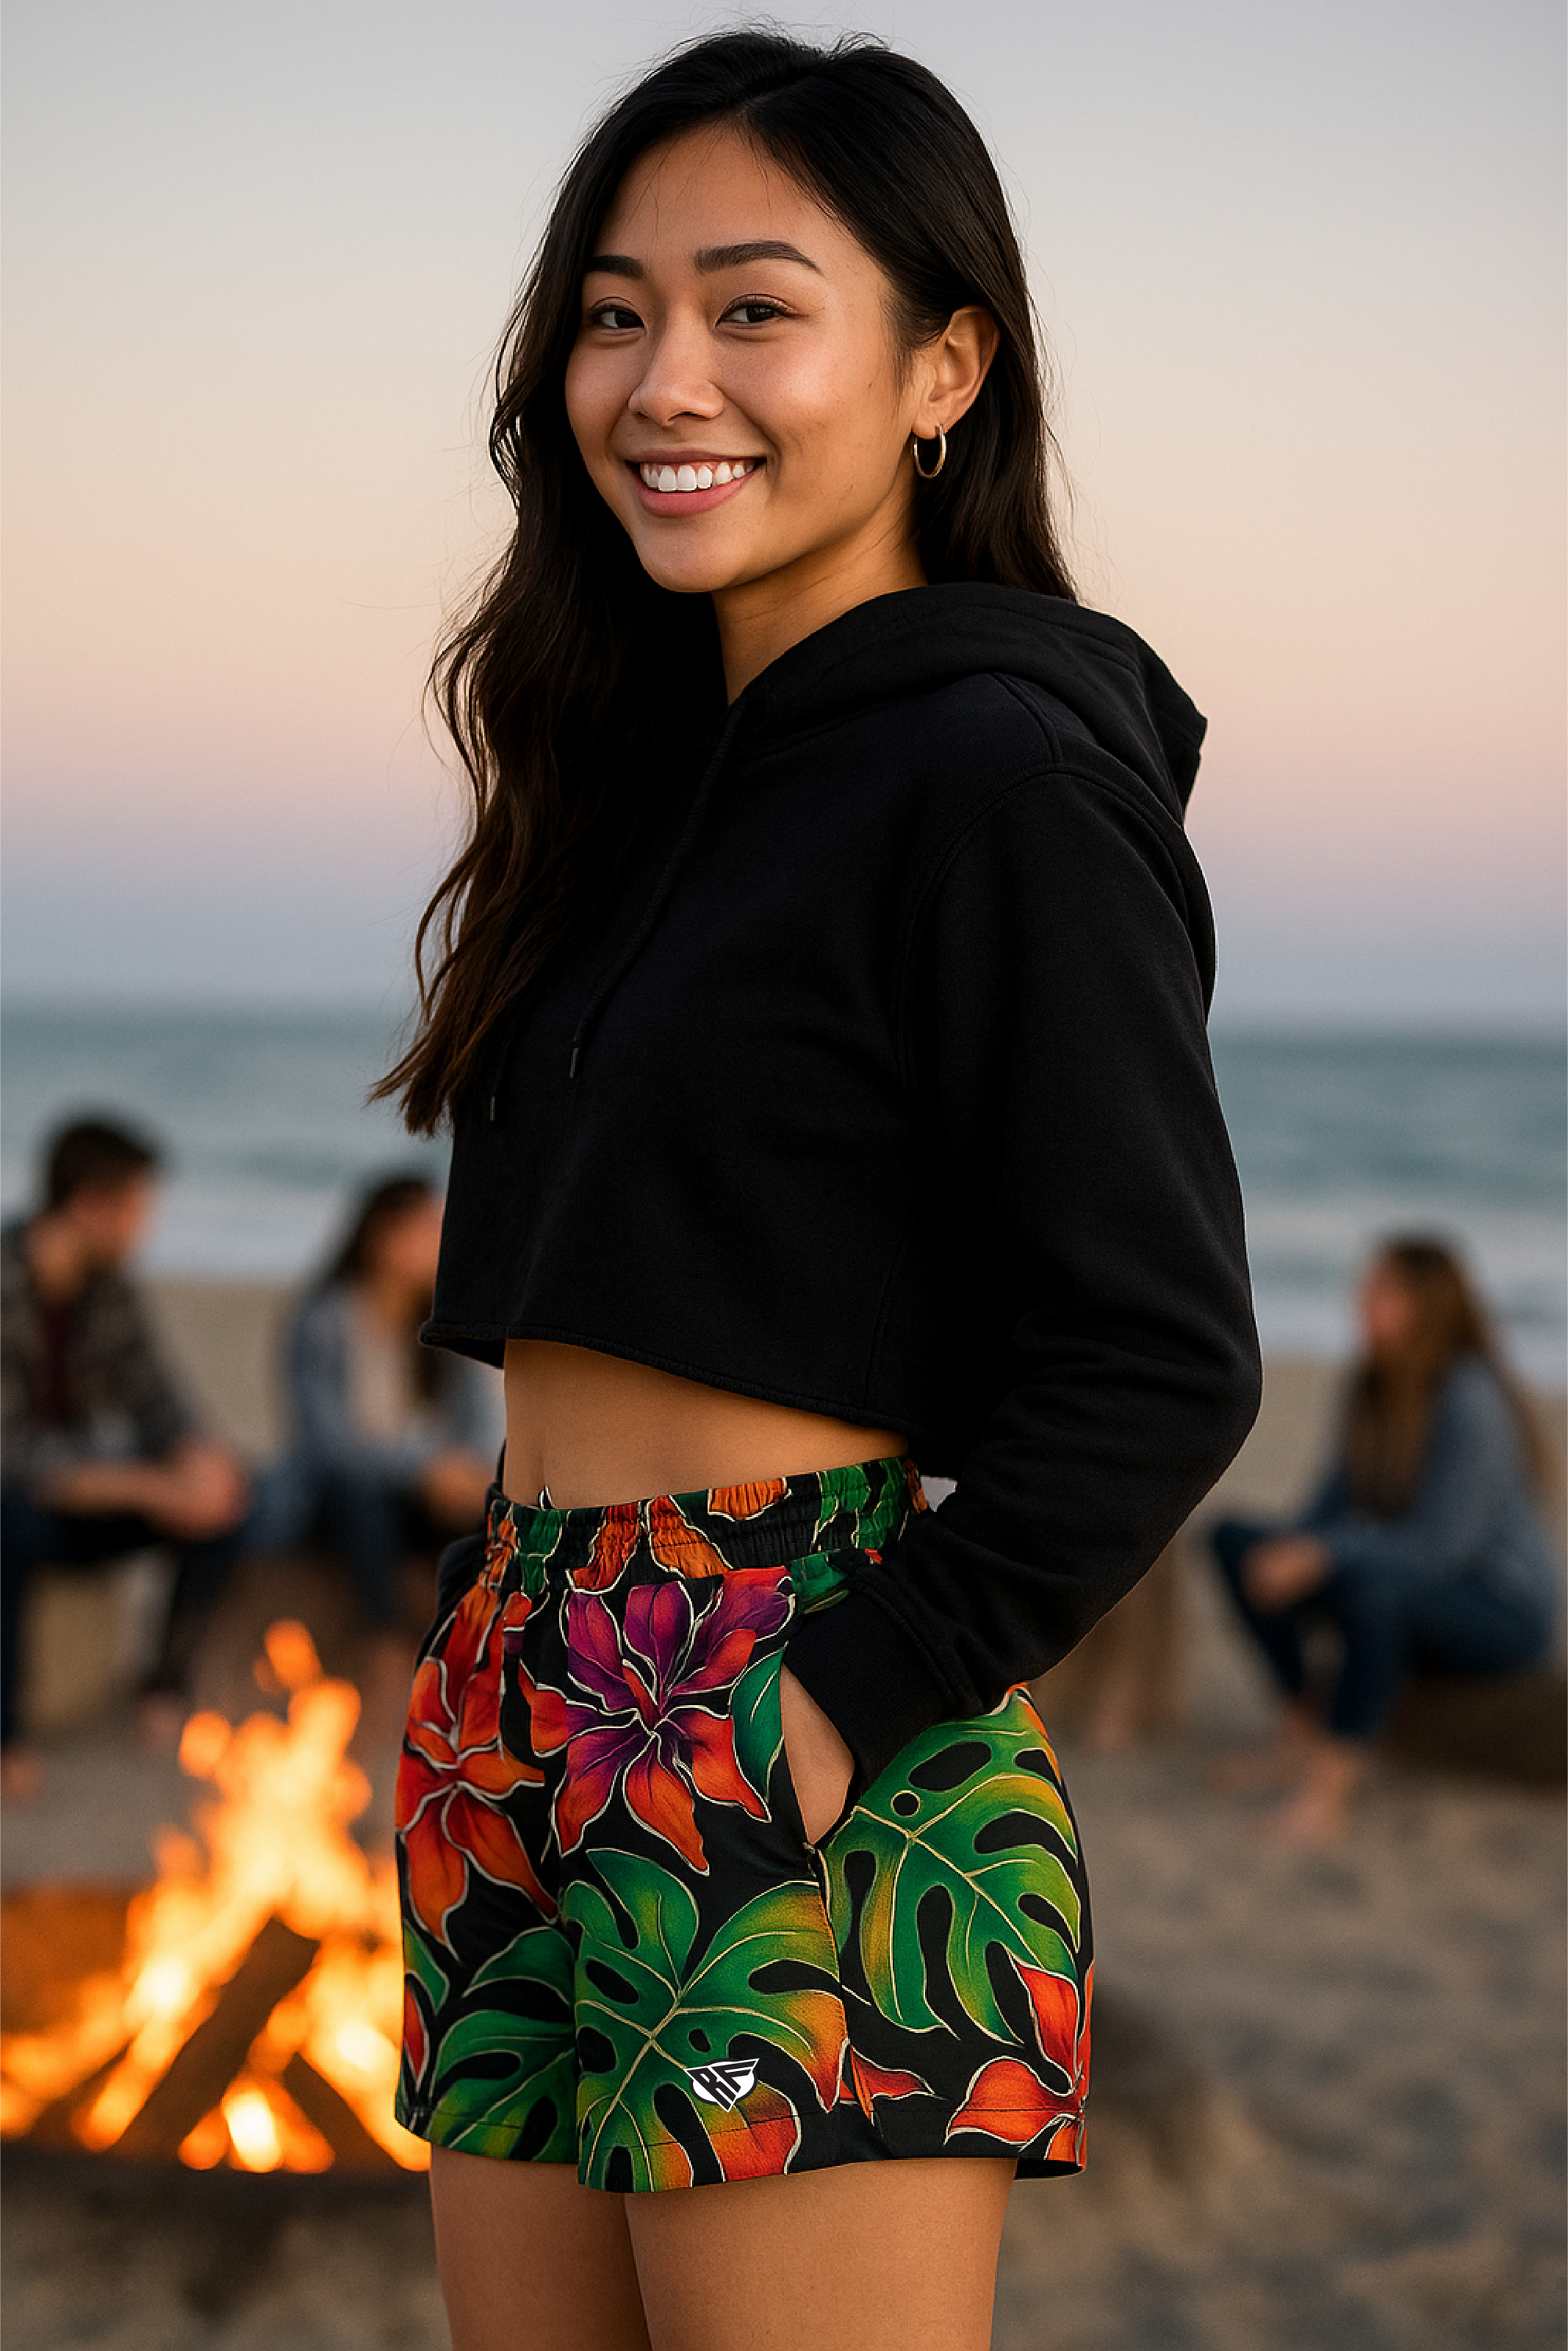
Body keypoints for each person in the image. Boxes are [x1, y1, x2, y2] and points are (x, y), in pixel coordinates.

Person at [379, 33, 1260, 2351]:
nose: (664, 375)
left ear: (942, 364)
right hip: (519, 1679)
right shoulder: (638, 781)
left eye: (754, 306)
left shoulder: (995, 771)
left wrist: (845, 1691)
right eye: (609, 308)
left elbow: (1160, 1350)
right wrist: (505, 1656)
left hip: (778, 1673)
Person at [1211, 1236, 1558, 1845]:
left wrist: (1323, 1553)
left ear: (1425, 1306)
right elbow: (1325, 1511)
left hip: (1500, 1606)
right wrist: (1294, 1549)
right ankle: (1304, 1728)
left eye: (1380, 1291)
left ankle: (1328, 1794)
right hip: (1406, 1577)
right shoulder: (1371, 1385)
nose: (1362, 1302)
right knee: (1235, 1542)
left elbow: (1443, 1547)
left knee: (1374, 1592)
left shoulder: (1468, 1397)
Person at [0, 1117, 249, 1799]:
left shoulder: (107, 1287)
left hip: (86, 1492)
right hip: (19, 1498)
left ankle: (163, 1687)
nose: (144, 1227)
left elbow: (159, 1401)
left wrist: (201, 1461)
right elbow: (14, 1455)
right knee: (7, 1527)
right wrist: (149, 1487)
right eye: (137, 1208)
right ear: (89, 1205)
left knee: (224, 1504)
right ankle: (6, 1735)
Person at [252, 1176, 498, 1704]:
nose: (443, 1238)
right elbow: (327, 1444)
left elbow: (477, 1424)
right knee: (359, 1498)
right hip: (337, 1491)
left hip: (426, 1491)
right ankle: (384, 1642)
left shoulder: (444, 1324)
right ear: (384, 1235)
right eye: (429, 1226)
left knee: (496, 1506)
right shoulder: (325, 1319)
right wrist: (422, 1467)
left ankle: (480, 1654)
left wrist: (461, 1470)